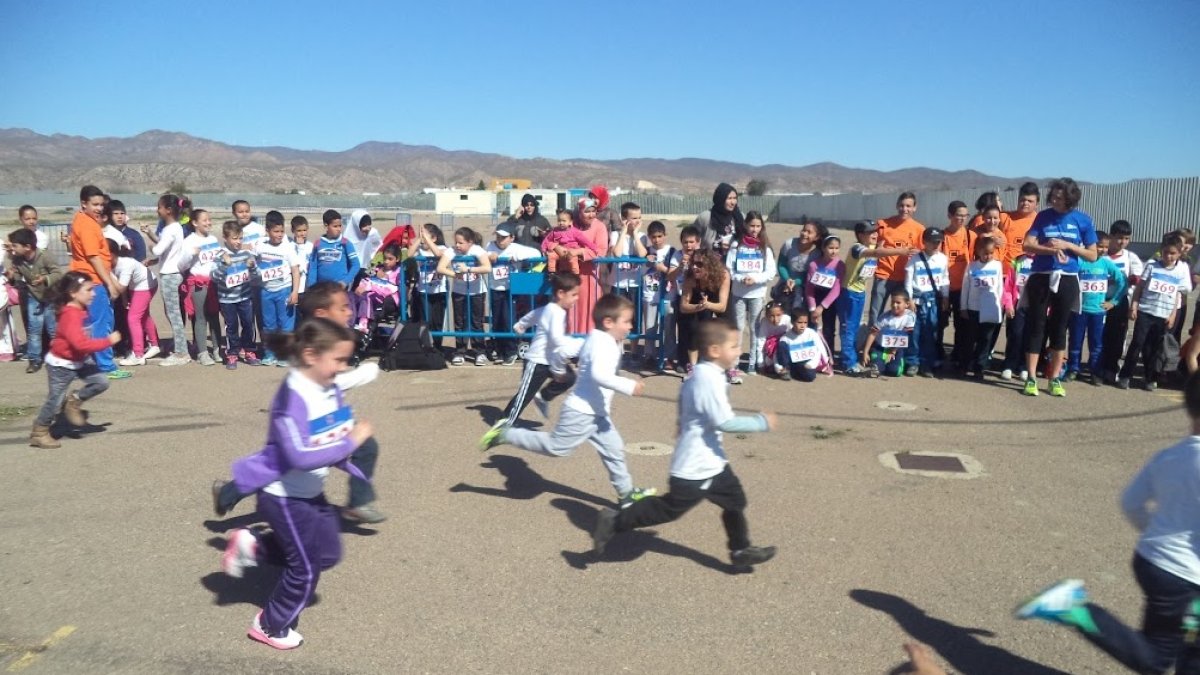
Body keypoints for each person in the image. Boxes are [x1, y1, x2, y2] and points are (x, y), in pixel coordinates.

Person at [1015, 371, 1200, 674]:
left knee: (1188, 652)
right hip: (1182, 578)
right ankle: (1072, 608)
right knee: (1156, 658)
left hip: (1157, 563)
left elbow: (1131, 502)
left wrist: (1158, 535)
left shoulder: (1170, 456)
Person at [219, 318, 375, 650]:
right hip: (283, 497)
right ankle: (270, 625)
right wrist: (350, 444)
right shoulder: (291, 397)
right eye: (338, 360)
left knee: (328, 554)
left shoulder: (327, 386)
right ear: (310, 355)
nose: (343, 367)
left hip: (309, 493)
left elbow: (334, 426)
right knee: (304, 571)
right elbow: (300, 456)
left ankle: (255, 546)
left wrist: (348, 445)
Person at [591, 319, 777, 568]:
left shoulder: (701, 374)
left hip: (714, 462)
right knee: (669, 509)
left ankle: (740, 550)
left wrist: (683, 421)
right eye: (733, 346)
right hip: (694, 467)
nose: (737, 352)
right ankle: (614, 522)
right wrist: (761, 422)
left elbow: (687, 400)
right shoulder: (708, 380)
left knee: (735, 501)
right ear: (714, 350)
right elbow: (725, 422)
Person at [213, 281, 387, 525]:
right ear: (321, 314)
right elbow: (315, 383)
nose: (349, 312)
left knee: (363, 446)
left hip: (327, 416)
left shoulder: (335, 340)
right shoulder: (310, 345)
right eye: (343, 307)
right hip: (305, 417)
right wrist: (361, 375)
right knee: (283, 462)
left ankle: (357, 502)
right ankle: (235, 498)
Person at [480, 294, 656, 508]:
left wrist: (557, 371)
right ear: (609, 322)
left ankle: (626, 493)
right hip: (581, 412)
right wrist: (630, 386)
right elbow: (600, 375)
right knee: (557, 447)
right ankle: (505, 433)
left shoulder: (597, 338)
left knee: (614, 449)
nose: (630, 326)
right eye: (627, 321)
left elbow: (563, 350)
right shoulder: (605, 345)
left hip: (597, 412)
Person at [1020, 177, 1099, 397]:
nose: (1054, 199)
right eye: (1052, 195)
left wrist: (1068, 245)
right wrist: (1049, 250)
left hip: (1067, 277)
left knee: (1060, 327)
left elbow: (1092, 255)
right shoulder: (1043, 217)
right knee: (1037, 326)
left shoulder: (1083, 220)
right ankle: (1031, 377)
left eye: (1060, 197)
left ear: (1070, 198)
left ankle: (1054, 378)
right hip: (1041, 275)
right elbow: (1027, 244)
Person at [28, 272, 121, 449]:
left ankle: (74, 401)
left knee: (101, 382)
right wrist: (108, 341)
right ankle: (39, 432)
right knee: (55, 401)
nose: (93, 294)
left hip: (81, 360)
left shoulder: (81, 309)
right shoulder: (70, 314)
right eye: (88, 290)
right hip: (61, 366)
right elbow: (80, 344)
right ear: (73, 293)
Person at [499, 272, 585, 425]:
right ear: (560, 293)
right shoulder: (555, 312)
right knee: (524, 396)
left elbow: (534, 315)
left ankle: (544, 396)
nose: (577, 298)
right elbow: (558, 340)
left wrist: (521, 325)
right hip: (536, 362)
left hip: (551, 360)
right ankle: (502, 426)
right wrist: (580, 346)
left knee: (569, 378)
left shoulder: (550, 309)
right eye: (574, 295)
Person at [67, 186, 130, 378]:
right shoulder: (86, 225)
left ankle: (87, 361)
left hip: (85, 278)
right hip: (93, 280)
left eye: (102, 204)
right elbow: (94, 257)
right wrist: (109, 283)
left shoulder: (83, 221)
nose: (100, 208)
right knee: (101, 324)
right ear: (83, 204)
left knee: (87, 324)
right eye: (95, 204)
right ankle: (105, 366)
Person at [1118, 234, 1192, 391]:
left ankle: (1150, 378)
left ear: (1179, 253)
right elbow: (1140, 287)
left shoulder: (1181, 270)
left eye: (1173, 253)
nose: (1169, 256)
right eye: (1166, 252)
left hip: (1164, 315)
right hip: (1146, 311)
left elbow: (1177, 294)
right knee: (1137, 343)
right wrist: (1134, 306)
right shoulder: (1152, 265)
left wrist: (1172, 315)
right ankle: (1125, 375)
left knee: (1154, 348)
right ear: (1161, 251)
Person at [1066, 231, 1126, 383]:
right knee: (1075, 341)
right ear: (1090, 245)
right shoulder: (1080, 261)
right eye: (1100, 246)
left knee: (1096, 344)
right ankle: (1073, 368)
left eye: (1106, 247)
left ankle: (1095, 372)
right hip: (1079, 310)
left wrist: (1113, 302)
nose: (1103, 250)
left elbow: (1122, 281)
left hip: (1098, 312)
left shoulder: (1106, 263)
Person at [141, 193, 191, 368]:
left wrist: (150, 246)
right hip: (172, 273)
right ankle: (181, 349)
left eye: (159, 207)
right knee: (173, 313)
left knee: (174, 314)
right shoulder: (176, 227)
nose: (157, 210)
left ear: (168, 210)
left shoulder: (171, 229)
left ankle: (181, 352)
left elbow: (158, 250)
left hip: (170, 275)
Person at [725, 211, 776, 377]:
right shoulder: (736, 245)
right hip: (739, 293)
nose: (755, 229)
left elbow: (770, 271)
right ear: (746, 225)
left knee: (755, 328)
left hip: (757, 293)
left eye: (758, 226)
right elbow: (730, 268)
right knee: (738, 328)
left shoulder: (764, 248)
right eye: (752, 225)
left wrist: (755, 279)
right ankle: (734, 363)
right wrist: (741, 278)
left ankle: (753, 363)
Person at [5, 228, 61, 372]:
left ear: (27, 247)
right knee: (34, 330)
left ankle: (59, 356)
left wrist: (45, 279)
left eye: (15, 245)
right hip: (33, 296)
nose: (13, 249)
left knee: (52, 329)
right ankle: (34, 360)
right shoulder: (17, 259)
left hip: (50, 297)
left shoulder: (45, 256)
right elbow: (16, 277)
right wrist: (11, 276)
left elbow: (57, 273)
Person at [868, 192, 925, 329]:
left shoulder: (919, 229)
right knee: (876, 312)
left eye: (908, 206)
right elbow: (874, 250)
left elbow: (923, 253)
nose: (904, 209)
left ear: (914, 208)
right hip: (884, 275)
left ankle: (896, 348)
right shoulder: (883, 224)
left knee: (901, 315)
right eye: (901, 205)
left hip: (905, 279)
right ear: (896, 206)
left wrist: (918, 252)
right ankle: (872, 344)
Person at [436, 226, 492, 366]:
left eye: (461, 243)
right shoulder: (451, 251)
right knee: (459, 322)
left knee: (476, 322)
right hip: (459, 291)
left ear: (470, 242)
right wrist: (456, 275)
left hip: (477, 291)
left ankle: (479, 351)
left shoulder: (477, 250)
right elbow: (440, 267)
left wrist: (469, 269)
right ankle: (459, 351)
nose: (457, 245)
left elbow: (487, 267)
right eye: (456, 242)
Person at [485, 225, 539, 365]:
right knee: (496, 320)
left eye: (504, 238)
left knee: (509, 319)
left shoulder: (516, 248)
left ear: (512, 238)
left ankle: (511, 351)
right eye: (498, 237)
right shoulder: (490, 245)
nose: (500, 240)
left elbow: (537, 254)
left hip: (511, 290)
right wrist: (489, 256)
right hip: (495, 288)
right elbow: (482, 256)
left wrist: (516, 257)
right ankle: (500, 350)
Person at [1100, 219, 1144, 384]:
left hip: (1119, 302)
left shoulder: (1130, 257)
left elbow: (1138, 279)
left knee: (1117, 337)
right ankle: (1099, 366)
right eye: (1119, 238)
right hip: (1099, 300)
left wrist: (1131, 280)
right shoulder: (1101, 254)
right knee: (1099, 336)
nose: (1122, 242)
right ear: (1111, 236)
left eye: (1126, 238)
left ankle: (1112, 368)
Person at [256, 211, 303, 366]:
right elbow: (250, 255)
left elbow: (295, 270)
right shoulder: (260, 245)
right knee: (269, 324)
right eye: (276, 231)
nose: (279, 234)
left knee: (286, 325)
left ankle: (285, 354)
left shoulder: (288, 247)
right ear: (267, 231)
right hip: (266, 291)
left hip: (284, 290)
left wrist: (294, 292)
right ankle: (270, 353)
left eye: (282, 231)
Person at [212, 221, 261, 369]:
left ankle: (249, 350)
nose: (238, 242)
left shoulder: (247, 254)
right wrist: (224, 265)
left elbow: (257, 276)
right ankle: (232, 353)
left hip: (245, 297)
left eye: (240, 238)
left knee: (248, 324)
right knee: (231, 326)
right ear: (225, 238)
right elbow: (214, 276)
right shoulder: (220, 255)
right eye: (234, 238)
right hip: (227, 299)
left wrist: (252, 268)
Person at [678, 248, 732, 377]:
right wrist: (699, 306)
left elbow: (722, 307)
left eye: (700, 265)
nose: (695, 267)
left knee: (728, 324)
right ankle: (693, 367)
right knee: (693, 326)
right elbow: (683, 306)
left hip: (716, 300)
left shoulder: (723, 275)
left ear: (709, 266)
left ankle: (728, 366)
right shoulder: (690, 278)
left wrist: (707, 305)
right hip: (698, 302)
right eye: (693, 263)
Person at [178, 209, 222, 366]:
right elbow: (181, 265)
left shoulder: (213, 239)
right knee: (201, 318)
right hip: (198, 285)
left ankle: (217, 350)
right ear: (195, 223)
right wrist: (191, 254)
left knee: (214, 317)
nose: (208, 222)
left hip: (214, 283)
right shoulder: (189, 241)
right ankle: (202, 353)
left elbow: (217, 260)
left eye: (209, 219)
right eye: (204, 220)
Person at [904, 228, 949, 377]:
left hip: (934, 300)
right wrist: (909, 300)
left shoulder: (942, 259)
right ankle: (912, 362)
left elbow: (944, 279)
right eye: (932, 241)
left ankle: (927, 364)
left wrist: (945, 297)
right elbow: (908, 281)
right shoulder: (915, 259)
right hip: (917, 301)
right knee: (915, 333)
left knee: (931, 333)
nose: (936, 244)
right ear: (924, 242)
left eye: (938, 241)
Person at [838, 222, 881, 375]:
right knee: (848, 329)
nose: (875, 234)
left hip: (860, 293)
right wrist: (901, 251)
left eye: (876, 231)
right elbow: (876, 254)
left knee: (855, 328)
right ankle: (848, 363)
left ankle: (852, 357)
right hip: (848, 293)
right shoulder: (857, 248)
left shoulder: (872, 247)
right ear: (861, 235)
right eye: (871, 232)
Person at [960, 238, 1005, 380]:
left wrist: (999, 305)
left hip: (989, 308)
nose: (988, 256)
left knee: (985, 339)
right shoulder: (972, 266)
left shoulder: (997, 266)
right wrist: (963, 307)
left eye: (991, 253)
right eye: (985, 253)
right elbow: (965, 287)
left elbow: (999, 287)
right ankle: (964, 364)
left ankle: (980, 366)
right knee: (969, 338)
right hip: (973, 308)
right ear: (978, 252)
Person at [111, 242, 159, 367]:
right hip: (134, 286)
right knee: (143, 315)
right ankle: (154, 345)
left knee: (133, 318)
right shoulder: (110, 264)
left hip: (145, 285)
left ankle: (138, 354)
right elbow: (121, 284)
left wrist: (106, 274)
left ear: (112, 254)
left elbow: (120, 287)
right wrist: (124, 299)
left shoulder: (125, 264)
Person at [940, 201, 975, 369]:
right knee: (939, 323)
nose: (962, 219)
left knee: (962, 326)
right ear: (949, 216)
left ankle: (958, 356)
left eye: (965, 215)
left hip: (964, 289)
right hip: (944, 288)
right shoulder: (941, 237)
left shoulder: (970, 236)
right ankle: (937, 354)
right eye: (958, 215)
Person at [566, 198, 609, 334]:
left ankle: (588, 341)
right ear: (579, 212)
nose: (591, 215)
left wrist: (579, 251)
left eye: (593, 211)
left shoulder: (599, 227)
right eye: (587, 211)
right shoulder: (570, 225)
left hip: (591, 278)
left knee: (589, 310)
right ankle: (571, 342)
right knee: (571, 309)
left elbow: (601, 251)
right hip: (571, 275)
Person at [664, 226, 703, 372]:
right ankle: (682, 360)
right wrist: (681, 266)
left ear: (698, 242)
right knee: (684, 330)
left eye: (692, 242)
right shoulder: (677, 256)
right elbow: (669, 276)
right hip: (682, 297)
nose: (689, 245)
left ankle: (700, 360)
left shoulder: (702, 255)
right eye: (685, 242)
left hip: (699, 296)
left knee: (699, 329)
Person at [640, 220, 677, 369]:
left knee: (668, 327)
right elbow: (642, 265)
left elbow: (674, 272)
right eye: (653, 237)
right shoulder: (646, 252)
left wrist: (661, 267)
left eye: (659, 236)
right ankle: (649, 355)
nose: (657, 240)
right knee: (649, 326)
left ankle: (668, 356)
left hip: (668, 296)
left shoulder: (672, 251)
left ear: (665, 235)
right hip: (649, 294)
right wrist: (647, 259)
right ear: (649, 237)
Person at [407, 223, 447, 351]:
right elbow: (409, 254)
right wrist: (419, 239)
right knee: (425, 320)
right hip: (424, 291)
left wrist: (428, 239)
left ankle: (438, 345)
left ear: (433, 238)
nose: (423, 239)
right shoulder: (420, 250)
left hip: (439, 290)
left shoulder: (442, 247)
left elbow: (438, 254)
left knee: (438, 321)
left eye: (425, 236)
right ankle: (426, 345)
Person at [804, 235, 844, 360]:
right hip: (815, 297)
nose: (834, 251)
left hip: (830, 300)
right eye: (830, 248)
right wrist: (812, 309)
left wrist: (821, 307)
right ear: (823, 248)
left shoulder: (840, 265)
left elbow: (836, 288)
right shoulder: (814, 265)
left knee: (829, 329)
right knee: (811, 328)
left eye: (837, 248)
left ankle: (828, 355)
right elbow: (809, 288)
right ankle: (811, 354)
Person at [861, 289, 916, 378]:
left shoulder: (910, 317)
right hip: (881, 347)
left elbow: (905, 336)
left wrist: (893, 351)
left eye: (898, 303)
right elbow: (873, 334)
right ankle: (877, 363)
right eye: (892, 302)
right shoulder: (884, 317)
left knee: (894, 371)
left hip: (897, 348)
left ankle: (897, 363)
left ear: (906, 305)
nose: (894, 305)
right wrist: (865, 352)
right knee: (877, 368)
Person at [352, 244, 402, 336]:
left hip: (386, 299)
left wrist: (371, 286)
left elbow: (392, 289)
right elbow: (366, 279)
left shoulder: (398, 272)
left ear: (397, 259)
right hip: (371, 295)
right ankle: (352, 324)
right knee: (354, 296)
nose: (386, 262)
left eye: (390, 259)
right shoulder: (377, 268)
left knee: (367, 296)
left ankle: (364, 324)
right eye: (385, 258)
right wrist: (361, 286)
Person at [775, 220, 825, 311]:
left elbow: (810, 275)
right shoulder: (789, 244)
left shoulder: (817, 254)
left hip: (805, 286)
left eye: (809, 232)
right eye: (803, 230)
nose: (804, 234)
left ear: (816, 237)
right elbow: (781, 265)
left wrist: (796, 282)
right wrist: (787, 279)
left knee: (799, 314)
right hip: (785, 282)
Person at [306, 210, 360, 293]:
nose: (339, 229)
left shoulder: (345, 243)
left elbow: (356, 265)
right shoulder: (318, 244)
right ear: (326, 226)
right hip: (321, 289)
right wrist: (311, 287)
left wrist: (345, 282)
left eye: (340, 226)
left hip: (339, 289)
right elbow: (313, 267)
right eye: (335, 226)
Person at [1000, 251, 1034, 380]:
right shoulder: (1018, 261)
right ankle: (1009, 364)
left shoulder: (1045, 261)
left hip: (1035, 306)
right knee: (1015, 334)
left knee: (1030, 337)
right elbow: (1008, 286)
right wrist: (1008, 304)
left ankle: (1024, 366)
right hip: (1018, 304)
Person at [775, 308, 832, 382]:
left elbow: (820, 348)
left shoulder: (811, 333)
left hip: (806, 362)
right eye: (799, 322)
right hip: (791, 362)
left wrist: (813, 363)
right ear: (792, 322)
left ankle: (795, 373)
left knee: (810, 377)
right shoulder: (785, 337)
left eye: (805, 323)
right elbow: (776, 355)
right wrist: (778, 367)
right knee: (782, 345)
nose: (802, 325)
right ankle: (786, 370)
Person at [607, 201, 647, 302]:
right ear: (624, 219)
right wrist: (624, 232)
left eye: (639, 217)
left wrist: (635, 234)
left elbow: (642, 254)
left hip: (635, 284)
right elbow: (617, 254)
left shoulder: (642, 236)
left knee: (635, 315)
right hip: (618, 284)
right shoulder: (616, 235)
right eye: (634, 218)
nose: (638, 221)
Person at [541, 208, 596, 275]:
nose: (561, 223)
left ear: (570, 222)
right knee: (551, 256)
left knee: (573, 259)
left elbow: (584, 240)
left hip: (571, 251)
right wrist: (543, 248)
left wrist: (593, 247)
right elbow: (547, 239)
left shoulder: (574, 231)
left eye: (564, 221)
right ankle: (552, 272)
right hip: (559, 252)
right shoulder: (555, 231)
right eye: (559, 221)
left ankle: (575, 273)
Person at [697, 182, 744, 256]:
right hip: (710, 263)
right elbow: (692, 240)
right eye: (729, 198)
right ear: (720, 199)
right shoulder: (706, 217)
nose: (733, 202)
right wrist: (718, 245)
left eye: (735, 198)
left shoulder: (740, 217)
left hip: (735, 262)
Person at [755, 301, 789, 374]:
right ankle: (778, 368)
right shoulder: (764, 322)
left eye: (778, 315)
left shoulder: (787, 320)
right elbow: (761, 342)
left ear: (782, 313)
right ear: (766, 315)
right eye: (771, 316)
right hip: (770, 350)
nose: (775, 319)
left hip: (784, 348)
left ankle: (784, 366)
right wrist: (760, 364)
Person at [290, 216, 312, 292]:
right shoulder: (290, 246)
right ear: (293, 230)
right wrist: (300, 247)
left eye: (304, 230)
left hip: (307, 284)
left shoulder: (311, 246)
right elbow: (299, 266)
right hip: (294, 285)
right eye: (299, 231)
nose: (302, 233)